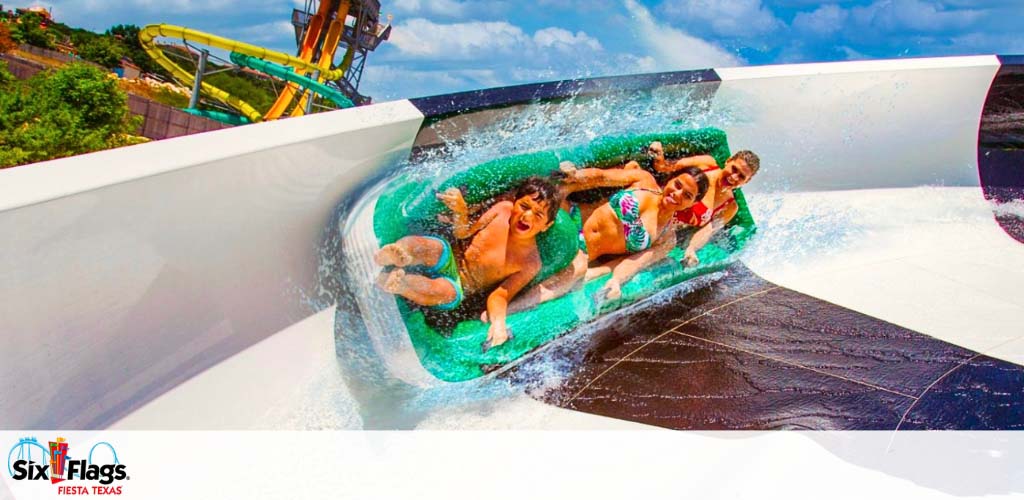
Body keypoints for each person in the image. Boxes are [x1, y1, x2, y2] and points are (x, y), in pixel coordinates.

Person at [489, 160, 709, 316]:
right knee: (534, 204)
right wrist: (575, 176)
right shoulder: (644, 181)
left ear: (692, 203)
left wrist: (614, 281)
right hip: (572, 216)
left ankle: (507, 310)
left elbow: (632, 263)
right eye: (678, 185)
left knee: (576, 271)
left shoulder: (666, 238)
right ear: (671, 179)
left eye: (687, 195)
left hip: (580, 252)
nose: (677, 194)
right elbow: (602, 177)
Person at [375, 177, 560, 349]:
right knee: (430, 247)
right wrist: (460, 211)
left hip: (459, 286)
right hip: (449, 257)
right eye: (524, 206)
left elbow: (500, 296)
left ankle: (400, 283)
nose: (526, 216)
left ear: (547, 226)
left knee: (441, 292)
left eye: (538, 215)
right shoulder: (503, 210)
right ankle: (397, 253)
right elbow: (463, 232)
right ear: (514, 203)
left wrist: (498, 323)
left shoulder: (530, 263)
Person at [587, 147, 761, 297]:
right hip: (653, 208)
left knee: (653, 250)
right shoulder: (707, 164)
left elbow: (708, 228)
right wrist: (659, 155)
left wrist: (692, 249)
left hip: (662, 231)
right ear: (728, 160)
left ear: (748, 181)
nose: (734, 177)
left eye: (741, 176)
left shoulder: (730, 206)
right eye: (734, 169)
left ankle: (596, 273)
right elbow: (667, 167)